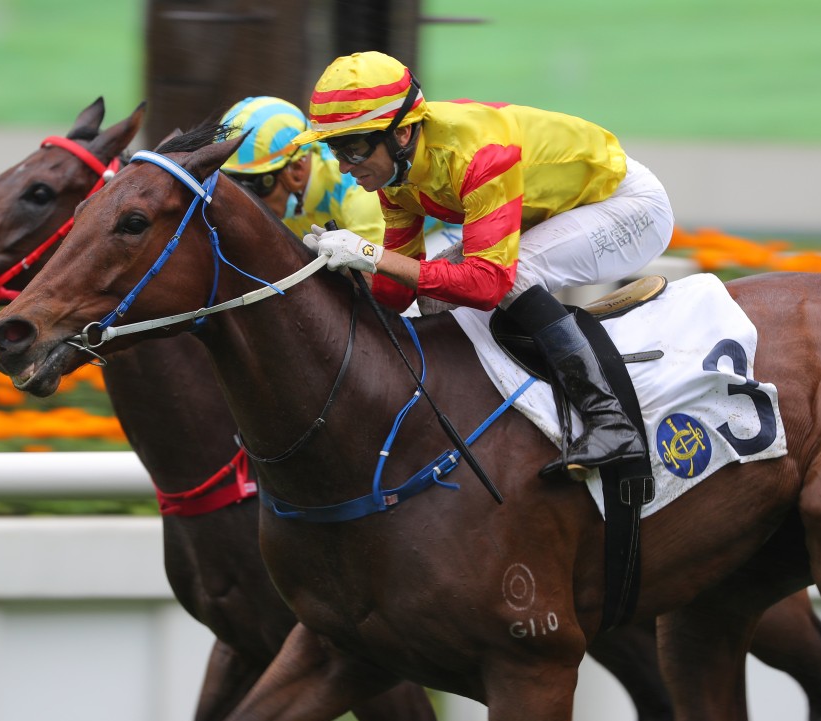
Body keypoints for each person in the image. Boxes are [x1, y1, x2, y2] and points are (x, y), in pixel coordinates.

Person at [294, 51, 675, 479]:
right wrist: (349, 272)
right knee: (435, 300)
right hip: (554, 209)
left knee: (514, 276)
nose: (344, 167)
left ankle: (612, 421)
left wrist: (372, 255)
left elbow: (486, 286)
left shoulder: (477, 154)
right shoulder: (394, 181)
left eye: (354, 148)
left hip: (627, 206)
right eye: (335, 149)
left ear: (401, 134)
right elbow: (401, 297)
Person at [219, 95, 384, 245]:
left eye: (253, 186)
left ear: (296, 170)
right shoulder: (284, 200)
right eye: (234, 182)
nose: (247, 199)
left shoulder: (359, 190)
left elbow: (381, 276)